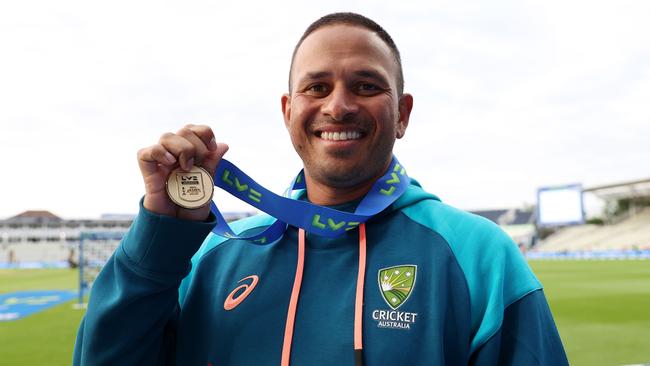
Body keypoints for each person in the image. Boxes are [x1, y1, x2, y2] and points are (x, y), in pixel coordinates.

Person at [73, 12, 568, 366]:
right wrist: (159, 241)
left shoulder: (479, 256)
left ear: (403, 114)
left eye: (367, 86)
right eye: (317, 88)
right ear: (288, 111)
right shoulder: (215, 255)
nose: (339, 106)